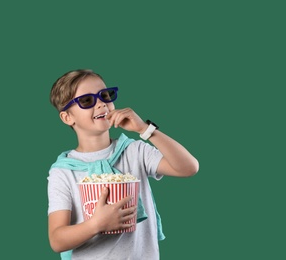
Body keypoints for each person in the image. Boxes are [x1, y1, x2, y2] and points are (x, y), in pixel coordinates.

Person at [47, 69, 199, 260]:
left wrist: (145, 129)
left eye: (105, 95)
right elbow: (57, 239)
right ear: (67, 117)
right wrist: (96, 224)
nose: (102, 103)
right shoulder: (63, 171)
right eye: (87, 100)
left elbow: (188, 167)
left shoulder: (134, 151)